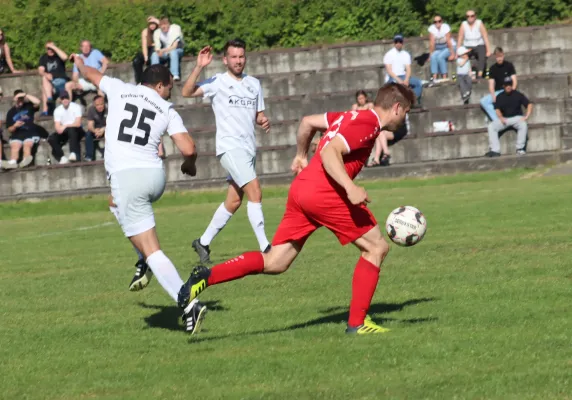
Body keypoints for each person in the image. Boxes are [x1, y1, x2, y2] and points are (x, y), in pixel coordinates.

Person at [178, 82, 415, 335]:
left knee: (276, 261)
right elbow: (330, 152)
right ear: (397, 108)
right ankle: (357, 324)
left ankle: (203, 278)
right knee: (376, 247)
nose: (406, 117)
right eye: (407, 111)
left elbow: (307, 122)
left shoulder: (349, 115)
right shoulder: (369, 124)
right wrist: (350, 187)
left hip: (302, 188)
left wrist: (301, 155)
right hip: (326, 193)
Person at [72, 55, 206, 333]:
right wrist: (188, 165)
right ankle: (144, 258)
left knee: (152, 250)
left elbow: (91, 75)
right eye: (169, 86)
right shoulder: (167, 108)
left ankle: (188, 302)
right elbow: (189, 149)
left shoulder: (119, 88)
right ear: (158, 86)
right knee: (114, 203)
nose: (170, 91)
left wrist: (79, 62)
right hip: (154, 177)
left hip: (128, 177)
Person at [181, 40, 272, 264]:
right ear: (225, 60)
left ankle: (202, 242)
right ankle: (266, 247)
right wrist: (199, 66)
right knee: (255, 192)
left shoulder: (254, 84)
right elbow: (186, 92)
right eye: (234, 57)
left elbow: (258, 114)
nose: (238, 61)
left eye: (241, 56)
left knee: (233, 201)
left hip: (249, 149)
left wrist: (262, 120)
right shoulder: (217, 82)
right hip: (230, 148)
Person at [485, 77, 533, 157]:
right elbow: (497, 109)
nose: (508, 86)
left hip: (517, 118)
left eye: (510, 84)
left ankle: (520, 149)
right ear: (503, 86)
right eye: (506, 85)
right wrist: (501, 117)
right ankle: (495, 150)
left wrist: (526, 116)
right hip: (505, 119)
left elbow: (529, 104)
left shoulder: (518, 94)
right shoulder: (500, 96)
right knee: (491, 126)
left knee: (523, 125)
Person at [2, 90, 41, 169]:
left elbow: (38, 102)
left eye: (21, 98)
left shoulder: (29, 106)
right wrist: (15, 126)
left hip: (30, 132)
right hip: (17, 133)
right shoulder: (11, 112)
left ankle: (25, 161)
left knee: (27, 144)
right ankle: (13, 162)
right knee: (15, 146)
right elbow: (9, 129)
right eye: (18, 98)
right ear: (15, 99)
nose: (20, 100)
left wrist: (25, 94)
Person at [383, 34, 423, 105]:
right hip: (393, 77)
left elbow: (408, 68)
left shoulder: (406, 54)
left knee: (418, 83)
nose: (398, 44)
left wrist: (407, 79)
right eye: (396, 42)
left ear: (402, 43)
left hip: (403, 76)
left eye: (400, 42)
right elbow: (389, 70)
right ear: (394, 43)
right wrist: (399, 80)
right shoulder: (389, 54)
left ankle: (411, 101)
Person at [480, 47, 517, 121]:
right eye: (497, 57)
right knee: (483, 101)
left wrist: (512, 92)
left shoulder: (509, 65)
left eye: (500, 56)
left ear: (503, 55)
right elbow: (491, 84)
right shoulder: (492, 68)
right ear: (495, 57)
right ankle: (498, 120)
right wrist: (493, 96)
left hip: (508, 90)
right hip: (498, 92)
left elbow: (514, 81)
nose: (499, 58)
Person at [48, 92, 84, 163]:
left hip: (76, 130)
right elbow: (57, 127)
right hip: (65, 131)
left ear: (69, 98)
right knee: (51, 138)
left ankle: (73, 153)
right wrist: (60, 129)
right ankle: (62, 157)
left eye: (66, 98)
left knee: (71, 130)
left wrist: (65, 125)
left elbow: (78, 124)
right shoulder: (57, 110)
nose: (65, 100)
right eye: (63, 98)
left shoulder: (76, 107)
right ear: (60, 100)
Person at [457, 10, 491, 79]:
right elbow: (460, 37)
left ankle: (479, 75)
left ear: (475, 16)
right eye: (468, 16)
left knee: (482, 56)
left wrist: (488, 50)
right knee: (462, 57)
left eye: (472, 16)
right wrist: (458, 51)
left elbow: (485, 36)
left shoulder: (479, 23)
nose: (470, 17)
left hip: (479, 44)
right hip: (467, 45)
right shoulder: (463, 24)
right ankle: (465, 75)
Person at [38, 41, 69, 116]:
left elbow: (65, 57)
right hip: (51, 84)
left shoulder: (58, 56)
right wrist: (46, 74)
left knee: (44, 88)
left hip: (61, 82)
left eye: (52, 48)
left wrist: (53, 47)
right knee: (44, 79)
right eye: (48, 48)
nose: (50, 50)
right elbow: (40, 70)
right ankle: (49, 100)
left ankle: (46, 109)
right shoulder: (43, 57)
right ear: (46, 49)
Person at [151, 16, 184, 81]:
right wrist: (158, 51)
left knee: (173, 52)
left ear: (169, 24)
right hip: (166, 52)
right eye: (162, 25)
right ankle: (155, 75)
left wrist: (162, 50)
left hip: (178, 50)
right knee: (154, 54)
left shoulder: (175, 29)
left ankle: (174, 75)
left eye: (165, 24)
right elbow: (157, 46)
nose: (163, 26)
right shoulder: (157, 32)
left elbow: (174, 46)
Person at [428, 14, 456, 81]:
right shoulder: (432, 28)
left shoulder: (445, 27)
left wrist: (453, 54)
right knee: (433, 57)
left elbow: (449, 41)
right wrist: (430, 54)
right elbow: (432, 43)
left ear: (442, 21)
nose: (437, 23)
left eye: (439, 21)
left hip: (449, 47)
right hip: (440, 48)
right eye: (435, 22)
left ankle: (444, 76)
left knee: (440, 57)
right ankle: (434, 77)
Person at [132, 16, 160, 84]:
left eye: (154, 23)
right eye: (151, 24)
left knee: (152, 58)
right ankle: (139, 81)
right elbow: (144, 45)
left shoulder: (159, 30)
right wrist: (145, 56)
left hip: (156, 50)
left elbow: (162, 24)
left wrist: (156, 20)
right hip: (148, 49)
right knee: (136, 60)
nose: (152, 25)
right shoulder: (145, 31)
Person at [85, 95, 107, 161]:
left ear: (104, 103)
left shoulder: (109, 109)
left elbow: (113, 123)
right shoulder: (91, 109)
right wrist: (94, 130)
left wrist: (103, 129)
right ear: (94, 105)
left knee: (111, 133)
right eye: (97, 105)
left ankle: (107, 154)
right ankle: (89, 156)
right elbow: (90, 125)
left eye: (101, 104)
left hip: (107, 128)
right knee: (88, 134)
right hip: (97, 129)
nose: (100, 106)